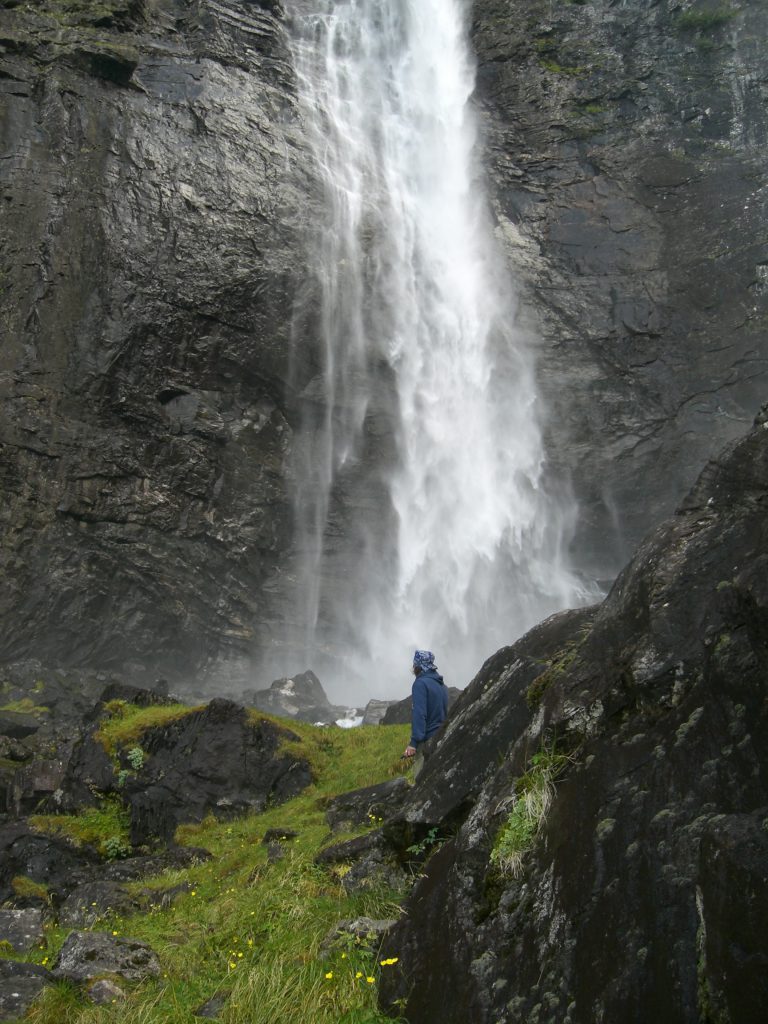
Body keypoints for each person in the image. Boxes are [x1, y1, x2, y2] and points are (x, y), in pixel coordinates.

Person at [403, 649, 448, 758]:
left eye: (414, 665)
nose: (413, 668)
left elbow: (419, 713)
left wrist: (413, 743)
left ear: (418, 667)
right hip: (442, 736)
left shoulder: (420, 684)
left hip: (428, 741)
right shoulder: (441, 685)